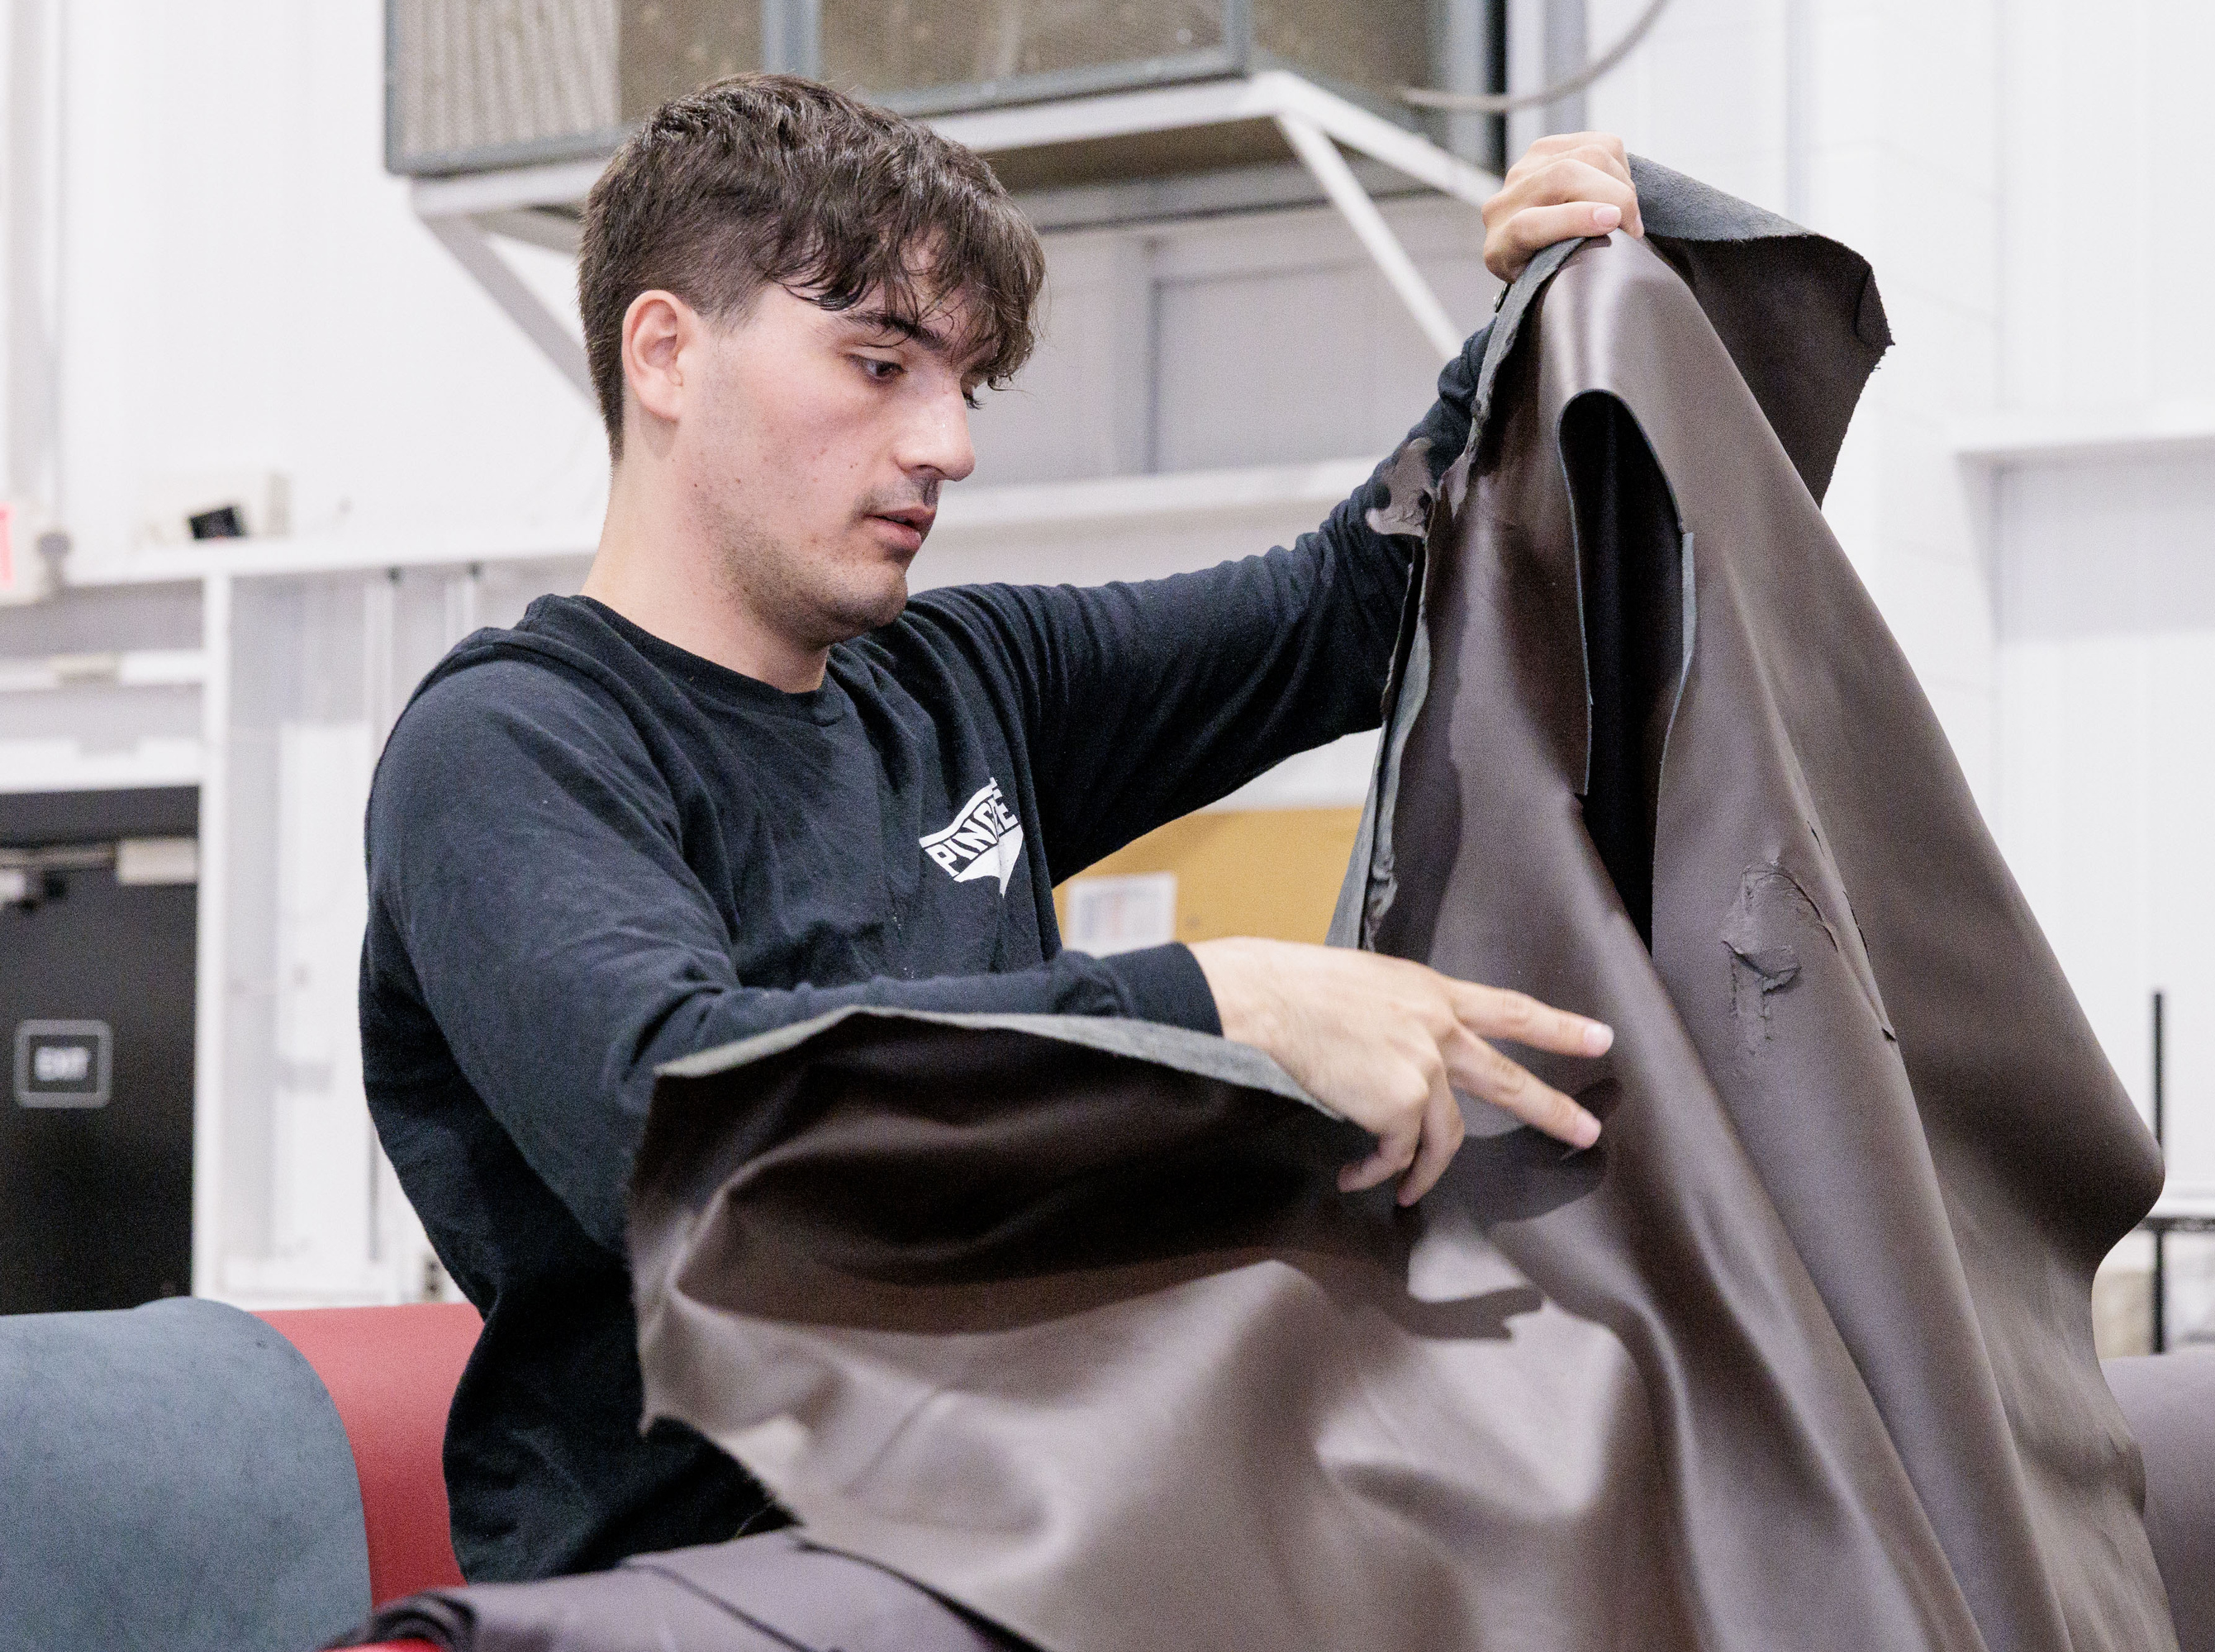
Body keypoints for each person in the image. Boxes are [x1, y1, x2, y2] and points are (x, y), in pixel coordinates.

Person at [361, 73, 1648, 1584]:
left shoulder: (966, 683)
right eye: (880, 362)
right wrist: (1213, 1007)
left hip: (1007, 1555)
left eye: (964, 382)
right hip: (682, 1598)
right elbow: (687, 1137)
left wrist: (1524, 326)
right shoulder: (511, 746)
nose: (948, 444)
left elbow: (1352, 611)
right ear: (665, 353)